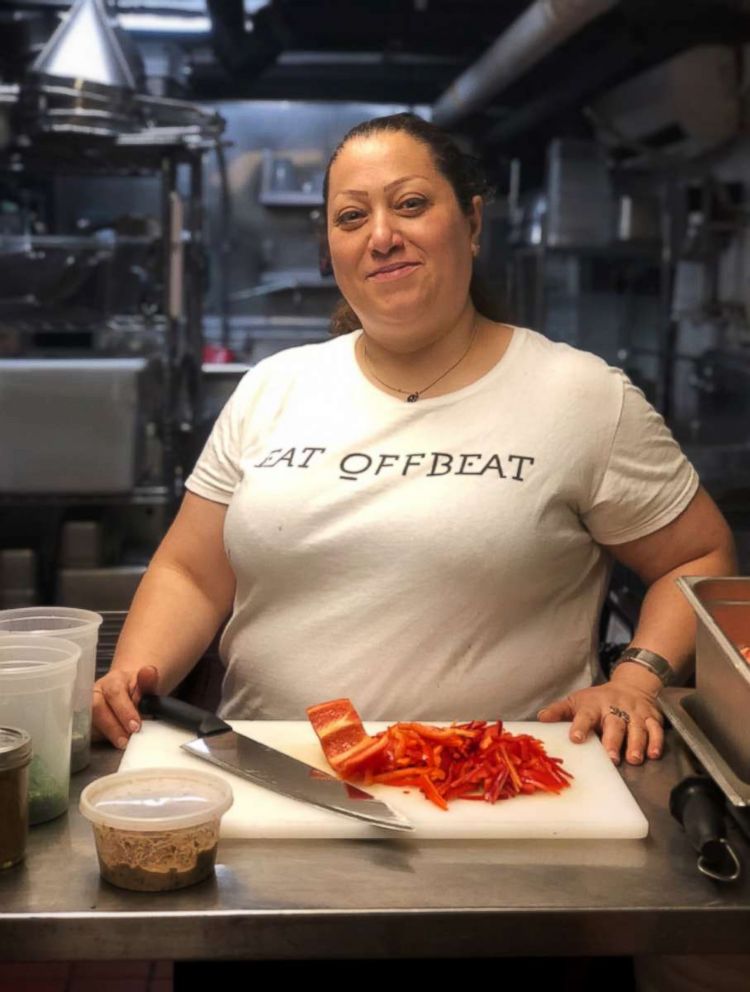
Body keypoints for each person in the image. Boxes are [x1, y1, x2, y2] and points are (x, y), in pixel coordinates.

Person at [93, 113, 736, 778]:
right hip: (269, 780)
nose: (381, 236)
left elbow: (698, 554)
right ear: (331, 247)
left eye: (411, 204)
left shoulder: (582, 396)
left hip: (498, 791)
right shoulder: (273, 388)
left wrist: (638, 678)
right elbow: (192, 575)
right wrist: (130, 681)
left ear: (473, 223)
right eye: (350, 217)